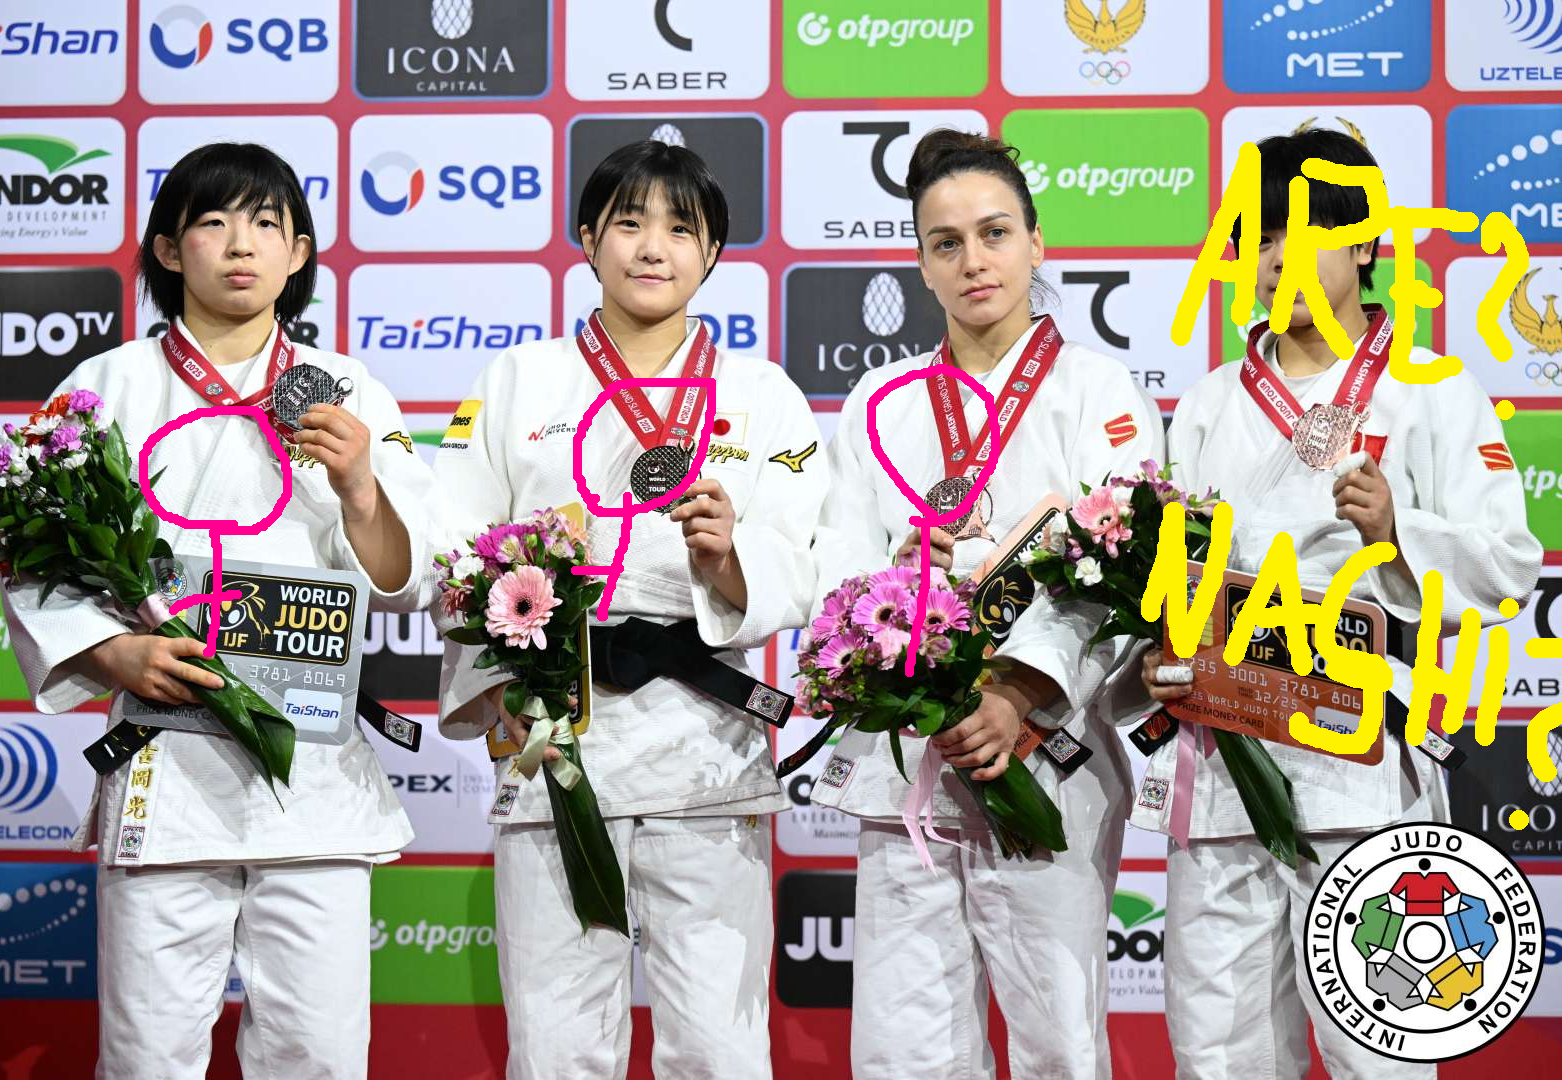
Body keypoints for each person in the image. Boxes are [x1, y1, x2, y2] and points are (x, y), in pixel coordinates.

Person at [0, 142, 433, 1079]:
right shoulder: (104, 386)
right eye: (212, 221)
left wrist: (360, 487)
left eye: (267, 224)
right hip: (167, 762)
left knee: (319, 1053)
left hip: (311, 770)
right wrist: (111, 654)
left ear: (299, 252)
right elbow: (35, 556)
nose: (242, 244)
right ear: (167, 249)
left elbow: (408, 579)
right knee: (147, 1052)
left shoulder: (350, 391)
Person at [1128, 127, 1542, 1079]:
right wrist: (1155, 653)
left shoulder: (1431, 389)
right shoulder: (1207, 403)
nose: (1278, 258)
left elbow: (1508, 564)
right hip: (1223, 763)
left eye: (1304, 231)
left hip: (1360, 762)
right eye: (1258, 238)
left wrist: (1399, 530)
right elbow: (1165, 580)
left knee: (1377, 1056)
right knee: (1219, 1056)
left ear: (1363, 244)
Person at [429, 139, 826, 1079]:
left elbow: (804, 561)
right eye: (629, 223)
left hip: (705, 748)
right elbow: (453, 550)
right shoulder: (516, 381)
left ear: (713, 252)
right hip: (556, 738)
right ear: (586, 238)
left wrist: (729, 558)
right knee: (555, 1042)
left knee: (719, 1047)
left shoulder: (761, 393)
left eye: (681, 229)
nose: (653, 247)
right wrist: (501, 682)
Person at [808, 128, 1163, 1080]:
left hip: (1045, 750)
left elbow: (1123, 577)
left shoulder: (1096, 390)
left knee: (1057, 1046)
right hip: (908, 760)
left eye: (994, 233)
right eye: (946, 242)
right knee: (904, 1050)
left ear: (1036, 243)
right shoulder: (879, 400)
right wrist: (886, 600)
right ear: (920, 265)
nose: (974, 261)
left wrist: (1015, 692)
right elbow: (833, 565)